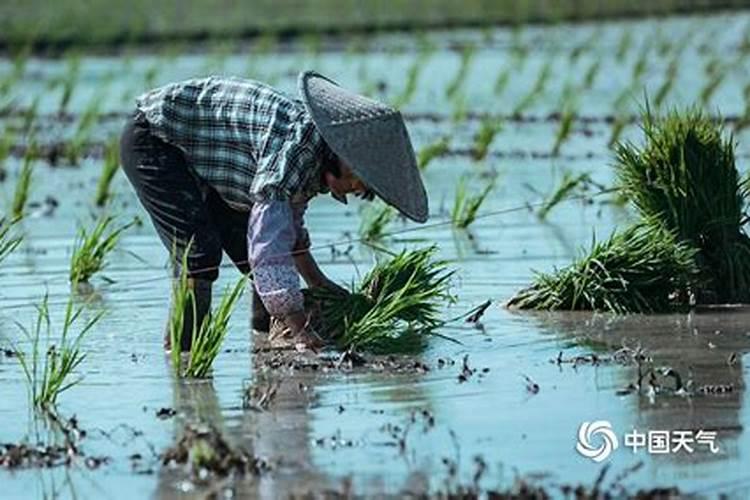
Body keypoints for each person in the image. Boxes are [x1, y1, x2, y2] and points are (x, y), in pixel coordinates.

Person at [119, 71, 428, 351]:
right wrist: (301, 328)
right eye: (357, 182)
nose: (352, 192)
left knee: (249, 252)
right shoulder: (296, 152)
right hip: (156, 139)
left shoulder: (315, 157)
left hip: (207, 158)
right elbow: (269, 250)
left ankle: (267, 339)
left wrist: (319, 283)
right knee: (199, 254)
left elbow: (287, 230)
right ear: (343, 159)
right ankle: (185, 355)